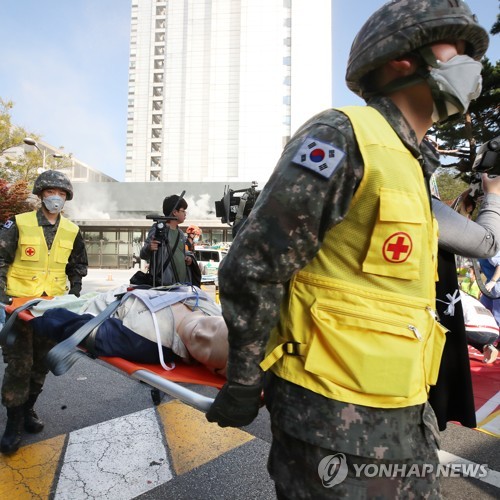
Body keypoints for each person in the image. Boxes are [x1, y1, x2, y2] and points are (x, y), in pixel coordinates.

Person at [206, 1, 499, 497]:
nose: (471, 63)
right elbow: (253, 268)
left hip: (403, 413)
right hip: (329, 422)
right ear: (400, 57)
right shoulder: (343, 135)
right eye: (459, 49)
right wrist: (241, 380)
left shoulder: (409, 165)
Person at [0, 170, 88, 454]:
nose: (56, 198)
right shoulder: (19, 223)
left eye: (62, 194)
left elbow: (77, 265)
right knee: (19, 366)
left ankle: (28, 411)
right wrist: (3, 300)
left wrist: (74, 292)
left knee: (41, 365)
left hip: (51, 310)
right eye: (52, 192)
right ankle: (12, 424)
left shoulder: (72, 230)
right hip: (19, 308)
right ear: (41, 195)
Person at [6, 285, 228, 375]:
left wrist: (31, 316)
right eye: (219, 326)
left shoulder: (143, 343)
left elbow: (70, 327)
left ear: (211, 368)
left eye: (208, 347)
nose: (204, 333)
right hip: (126, 291)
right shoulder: (205, 302)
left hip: (91, 304)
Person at [140, 195, 200, 287]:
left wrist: (189, 259)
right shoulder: (158, 229)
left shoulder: (180, 233)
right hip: (164, 286)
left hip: (181, 285)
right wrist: (149, 247)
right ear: (175, 212)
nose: (185, 214)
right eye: (183, 210)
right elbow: (143, 254)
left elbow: (181, 253)